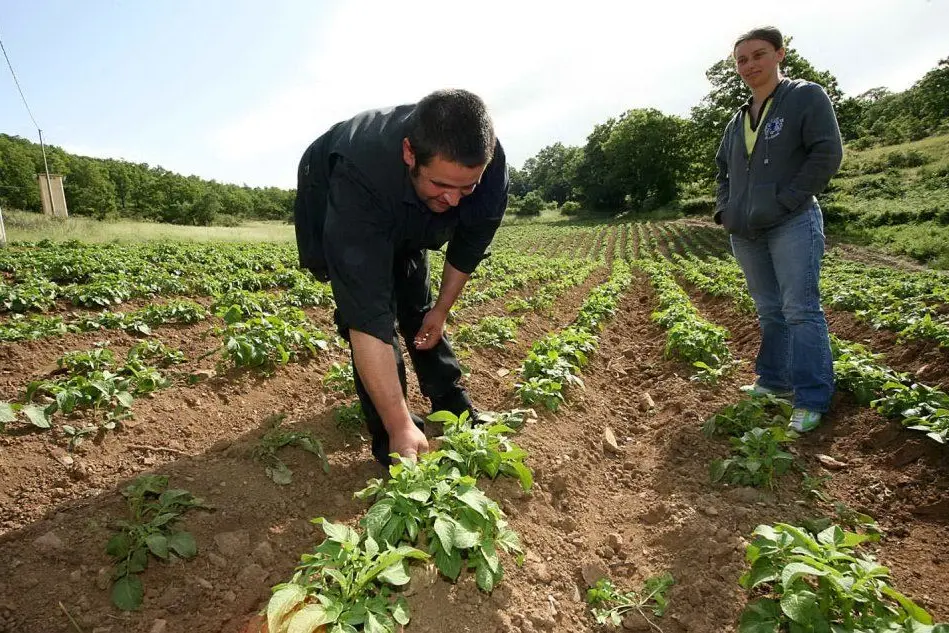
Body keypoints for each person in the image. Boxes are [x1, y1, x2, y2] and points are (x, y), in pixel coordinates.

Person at [294, 89, 508, 464]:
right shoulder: (359, 177)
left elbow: (468, 249)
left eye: (466, 188)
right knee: (370, 312)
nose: (454, 200)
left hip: (402, 201)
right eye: (441, 185)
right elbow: (367, 317)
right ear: (410, 153)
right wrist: (398, 425)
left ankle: (452, 402)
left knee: (418, 304)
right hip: (334, 188)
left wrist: (440, 311)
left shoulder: (487, 167)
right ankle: (394, 435)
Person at [713, 26, 843, 432]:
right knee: (770, 310)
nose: (749, 65)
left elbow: (827, 153)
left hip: (792, 221)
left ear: (779, 54)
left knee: (800, 310)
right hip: (746, 231)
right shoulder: (737, 120)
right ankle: (774, 381)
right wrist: (725, 211)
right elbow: (722, 172)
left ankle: (811, 398)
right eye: (742, 60)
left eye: (758, 55)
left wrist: (787, 201)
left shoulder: (805, 97)